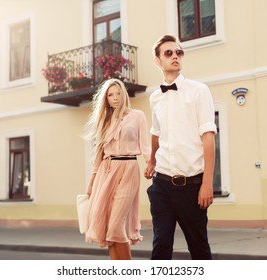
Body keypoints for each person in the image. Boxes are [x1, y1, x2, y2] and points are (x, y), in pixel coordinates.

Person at [144, 34, 217, 260]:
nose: (175, 56)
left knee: (199, 249)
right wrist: (151, 160)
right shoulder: (155, 97)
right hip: (162, 184)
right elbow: (156, 132)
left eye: (178, 52)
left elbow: (208, 138)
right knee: (161, 247)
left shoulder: (199, 91)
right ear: (158, 61)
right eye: (168, 53)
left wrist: (207, 183)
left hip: (192, 187)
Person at [84, 78, 150, 260]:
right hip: (106, 171)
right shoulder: (105, 121)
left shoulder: (137, 116)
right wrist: (91, 183)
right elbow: (99, 154)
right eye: (110, 95)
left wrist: (151, 164)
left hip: (128, 168)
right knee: (106, 228)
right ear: (105, 99)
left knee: (115, 226)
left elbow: (145, 145)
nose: (115, 98)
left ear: (124, 95)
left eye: (118, 93)